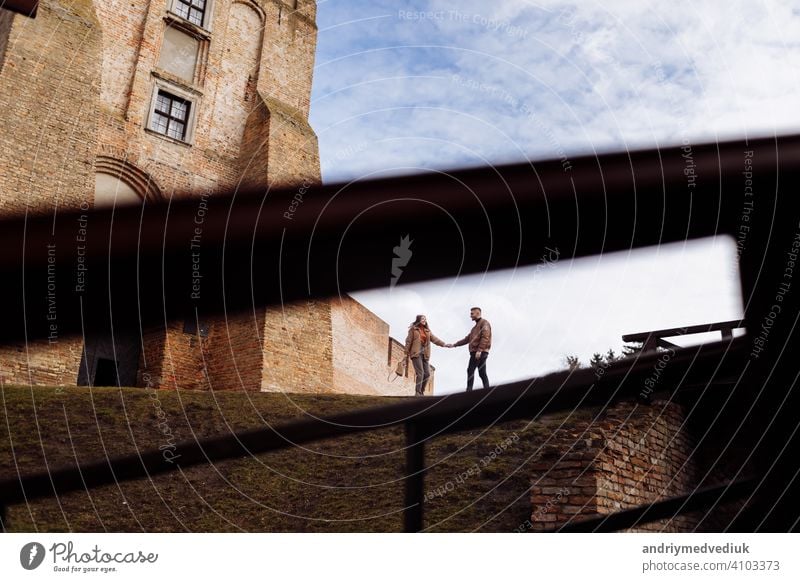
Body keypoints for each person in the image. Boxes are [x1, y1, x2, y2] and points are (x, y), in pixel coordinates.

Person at [447, 307, 492, 391]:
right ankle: (487, 390)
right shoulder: (475, 328)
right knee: (482, 373)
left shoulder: (484, 323)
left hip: (479, 352)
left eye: (472, 313)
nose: (470, 315)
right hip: (478, 352)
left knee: (470, 370)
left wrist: (479, 350)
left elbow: (485, 337)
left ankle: (469, 391)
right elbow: (467, 339)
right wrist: (454, 345)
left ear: (478, 313)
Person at [404, 315, 446, 396]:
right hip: (416, 353)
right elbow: (408, 341)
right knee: (420, 373)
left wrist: (444, 344)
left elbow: (435, 339)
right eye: (422, 319)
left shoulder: (427, 331)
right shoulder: (413, 329)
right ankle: (417, 392)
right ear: (418, 320)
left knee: (427, 374)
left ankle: (421, 392)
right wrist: (406, 353)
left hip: (425, 354)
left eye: (425, 319)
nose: (424, 320)